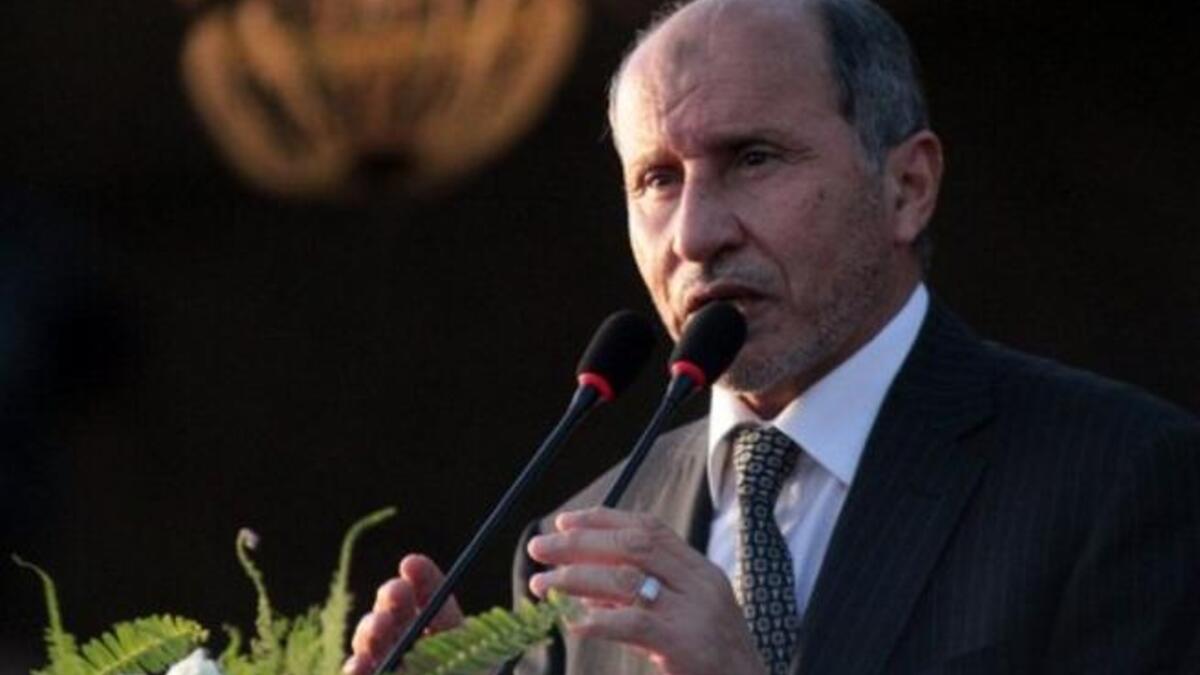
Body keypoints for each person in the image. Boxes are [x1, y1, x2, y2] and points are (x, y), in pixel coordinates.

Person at [343, 0, 1200, 673]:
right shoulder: (582, 529)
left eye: (754, 158)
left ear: (908, 187)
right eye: (657, 178)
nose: (694, 232)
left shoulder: (1122, 478)